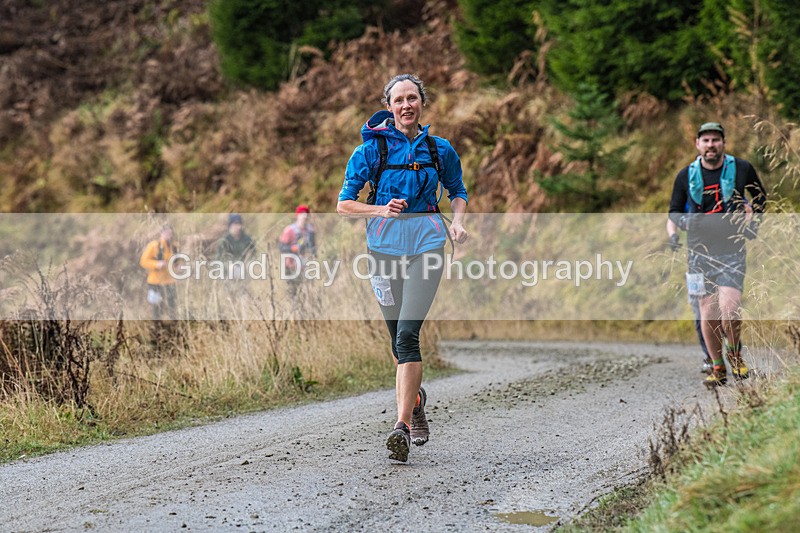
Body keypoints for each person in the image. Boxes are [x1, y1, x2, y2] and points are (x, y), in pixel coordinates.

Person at [337, 73, 468, 462]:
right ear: (389, 107)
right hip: (382, 251)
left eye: (413, 98)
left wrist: (458, 222)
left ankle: (400, 427)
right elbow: (344, 205)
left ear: (421, 103)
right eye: (400, 100)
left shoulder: (439, 149)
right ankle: (417, 401)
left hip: (428, 245)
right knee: (397, 342)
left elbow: (458, 191)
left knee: (408, 335)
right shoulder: (370, 152)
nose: (407, 105)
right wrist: (380, 208)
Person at [669, 122, 766, 387]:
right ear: (697, 145)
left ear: (723, 143)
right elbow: (674, 210)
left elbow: (760, 198)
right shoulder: (686, 175)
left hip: (732, 250)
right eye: (706, 141)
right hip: (698, 253)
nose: (711, 145)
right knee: (707, 314)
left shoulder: (741, 168)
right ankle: (717, 366)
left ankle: (735, 358)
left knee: (730, 310)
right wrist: (688, 225)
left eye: (715, 140)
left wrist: (753, 226)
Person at [666, 217, 713, 374]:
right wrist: (673, 235)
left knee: (722, 309)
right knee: (699, 312)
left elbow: (743, 207)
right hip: (695, 265)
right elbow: (672, 217)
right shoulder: (689, 193)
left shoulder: (722, 193)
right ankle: (709, 357)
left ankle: (733, 352)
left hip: (725, 259)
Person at [139, 223, 179, 321]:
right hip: (155, 282)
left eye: (170, 233)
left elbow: (176, 262)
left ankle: (173, 326)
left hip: (170, 281)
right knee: (157, 307)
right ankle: (157, 327)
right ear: (161, 233)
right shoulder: (153, 246)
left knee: (172, 305)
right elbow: (143, 262)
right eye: (166, 233)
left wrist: (178, 266)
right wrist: (157, 264)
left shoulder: (175, 246)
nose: (168, 235)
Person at [278, 204, 317, 298]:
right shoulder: (289, 230)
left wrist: (313, 257)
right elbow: (281, 247)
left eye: (306, 214)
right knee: (293, 294)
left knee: (308, 294)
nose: (305, 216)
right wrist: (293, 248)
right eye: (302, 213)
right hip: (291, 267)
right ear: (297, 216)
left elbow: (313, 248)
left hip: (306, 266)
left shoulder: (310, 231)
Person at [215, 213, 256, 278]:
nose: (237, 227)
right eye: (234, 224)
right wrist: (229, 267)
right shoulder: (224, 241)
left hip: (244, 273)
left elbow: (254, 256)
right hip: (227, 274)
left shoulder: (248, 240)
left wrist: (248, 264)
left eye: (239, 224)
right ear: (230, 226)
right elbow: (218, 261)